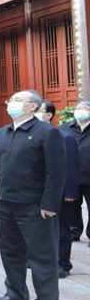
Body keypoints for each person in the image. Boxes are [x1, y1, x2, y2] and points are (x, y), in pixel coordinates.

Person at [0, 90, 66, 300]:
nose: (11, 103)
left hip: (35, 206)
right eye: (11, 99)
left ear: (33, 107)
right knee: (10, 251)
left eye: (18, 100)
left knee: (42, 257)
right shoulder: (3, 132)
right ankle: (16, 293)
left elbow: (55, 172)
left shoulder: (47, 133)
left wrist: (50, 204)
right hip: (7, 203)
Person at [37, 100, 79, 278]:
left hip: (60, 192)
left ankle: (63, 263)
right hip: (39, 191)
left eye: (39, 110)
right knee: (41, 230)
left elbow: (70, 167)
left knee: (61, 230)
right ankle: (43, 260)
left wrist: (70, 192)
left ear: (48, 116)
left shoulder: (64, 137)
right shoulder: (33, 135)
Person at [58, 100, 90, 244]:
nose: (82, 110)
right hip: (70, 175)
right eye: (79, 108)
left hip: (88, 175)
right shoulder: (63, 128)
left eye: (86, 108)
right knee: (72, 207)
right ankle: (74, 231)